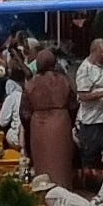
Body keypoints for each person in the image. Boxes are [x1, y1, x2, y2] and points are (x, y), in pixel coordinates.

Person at [21, 49, 76, 193]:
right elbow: (74, 105)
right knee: (62, 166)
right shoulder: (64, 81)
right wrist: (69, 121)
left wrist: (29, 128)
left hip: (39, 126)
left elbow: (24, 113)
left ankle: (45, 200)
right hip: (61, 124)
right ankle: (65, 197)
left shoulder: (31, 84)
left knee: (43, 166)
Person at [71, 30, 103, 179]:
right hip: (92, 121)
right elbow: (82, 96)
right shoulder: (84, 70)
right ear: (94, 51)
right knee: (91, 155)